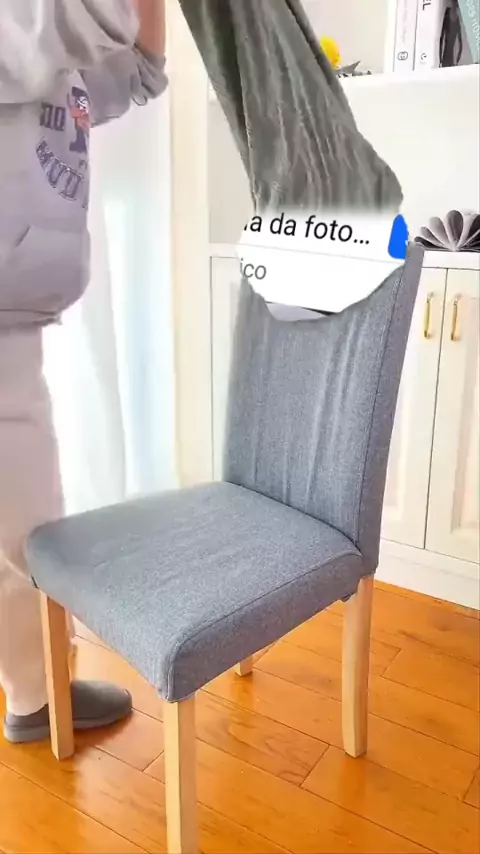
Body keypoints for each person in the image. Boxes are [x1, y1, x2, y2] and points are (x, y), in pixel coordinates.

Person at [0, 0, 167, 744]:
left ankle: (38, 692)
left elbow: (136, 73)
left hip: (16, 312)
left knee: (28, 518)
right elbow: (91, 18)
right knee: (26, 529)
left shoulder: (49, 50)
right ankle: (38, 696)